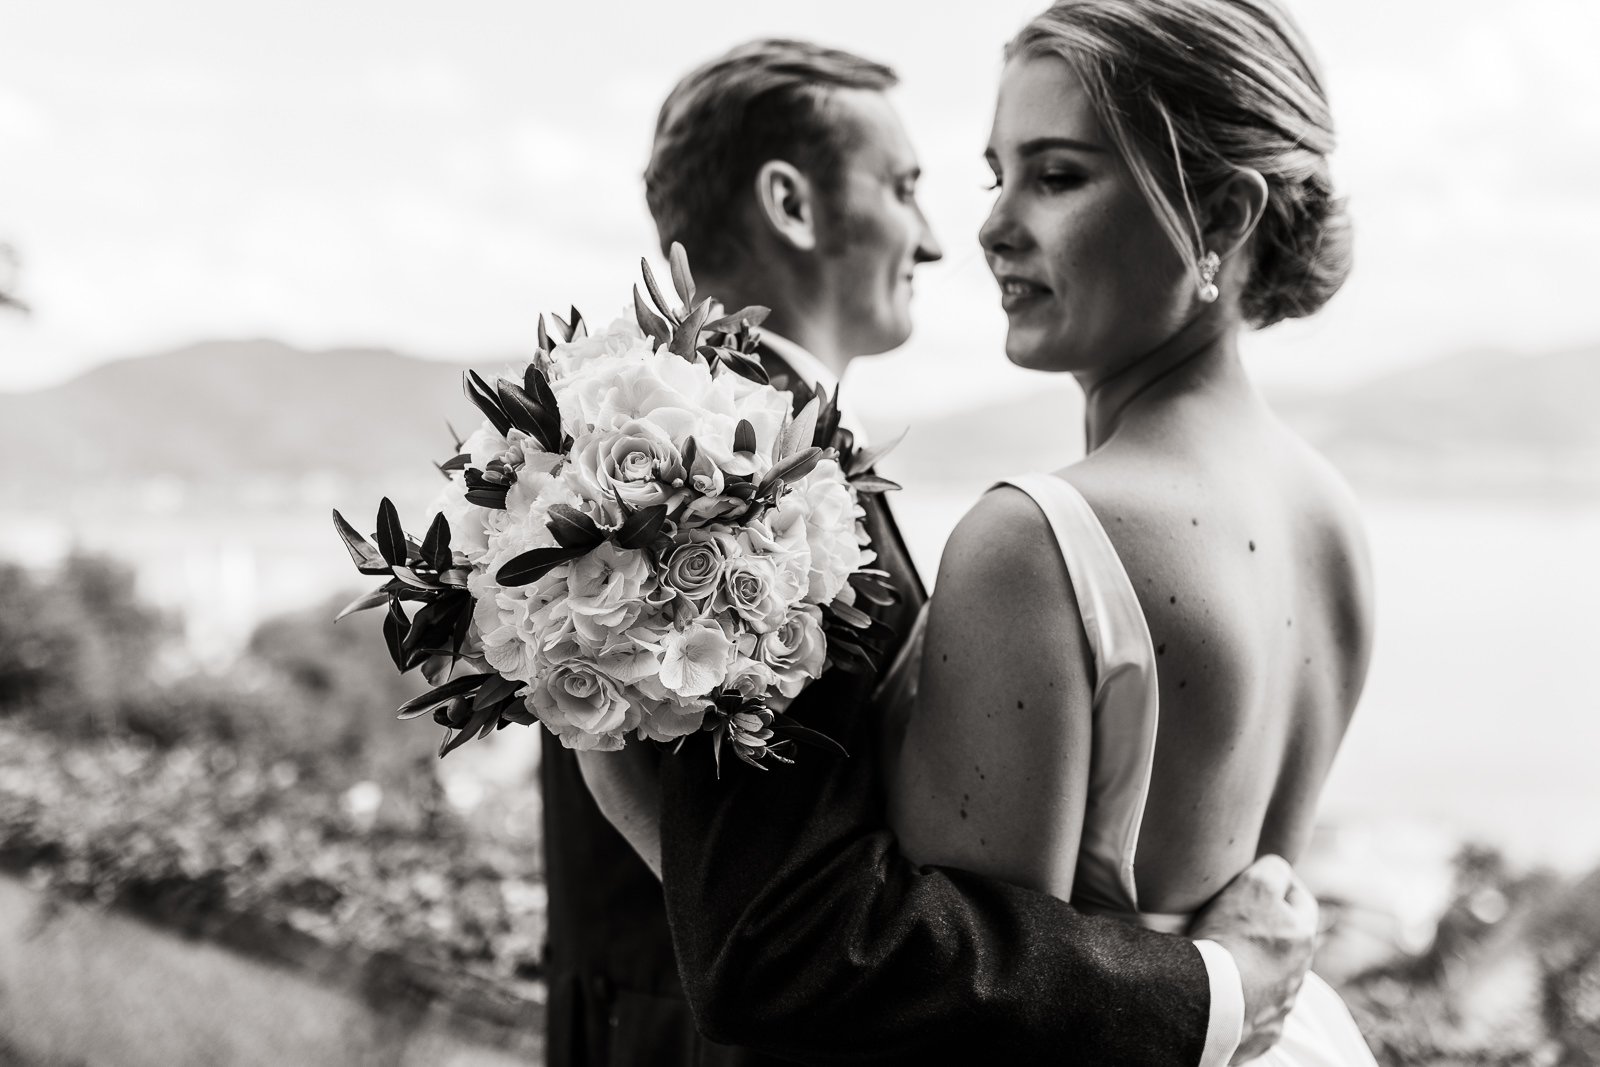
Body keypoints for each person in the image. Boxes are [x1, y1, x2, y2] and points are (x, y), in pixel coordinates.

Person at [574, 36, 1323, 1066]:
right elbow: (777, 932)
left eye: (1054, 175)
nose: (956, 235)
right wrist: (1216, 984)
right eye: (930, 182)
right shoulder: (708, 470)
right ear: (790, 207)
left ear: (1223, 218)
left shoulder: (749, 461)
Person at [879, 0, 1381, 1062]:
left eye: (1057, 175)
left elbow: (956, 1017)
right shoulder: (1329, 517)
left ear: (1223, 216)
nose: (992, 223)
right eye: (995, 172)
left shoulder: (1041, 542)